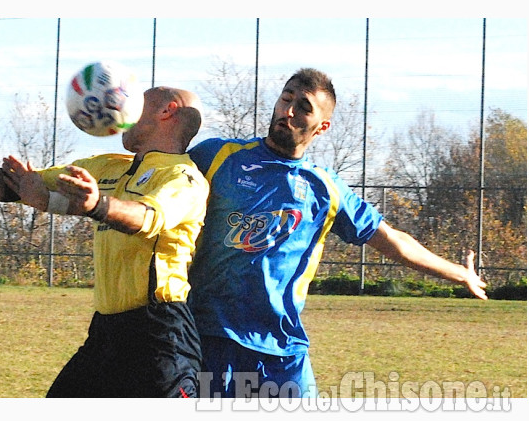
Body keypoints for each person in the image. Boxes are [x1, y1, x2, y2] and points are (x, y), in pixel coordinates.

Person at [185, 68, 488, 399]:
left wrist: (458, 273)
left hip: (283, 348)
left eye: (303, 107)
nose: (288, 112)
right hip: (212, 338)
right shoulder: (216, 157)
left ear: (321, 126)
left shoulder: (325, 188)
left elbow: (392, 240)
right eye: (285, 99)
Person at [0, 86, 209, 398]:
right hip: (106, 332)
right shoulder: (107, 167)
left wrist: (98, 206)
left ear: (167, 111)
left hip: (159, 335)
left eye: (135, 103)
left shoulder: (182, 178)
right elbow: (21, 185)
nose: (123, 110)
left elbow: (147, 218)